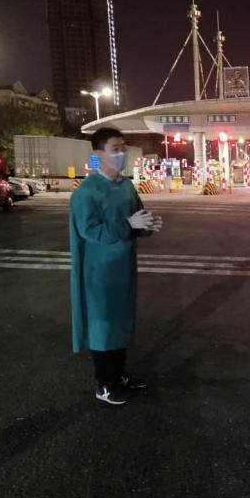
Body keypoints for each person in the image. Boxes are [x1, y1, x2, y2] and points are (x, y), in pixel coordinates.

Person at [70, 127, 163, 406]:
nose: (122, 153)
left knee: (121, 322)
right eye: (115, 149)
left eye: (123, 148)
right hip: (99, 271)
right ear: (99, 154)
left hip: (123, 267)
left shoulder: (126, 186)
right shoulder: (87, 191)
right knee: (103, 325)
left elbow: (137, 217)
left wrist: (146, 225)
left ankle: (119, 374)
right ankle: (105, 383)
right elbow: (90, 231)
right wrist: (127, 224)